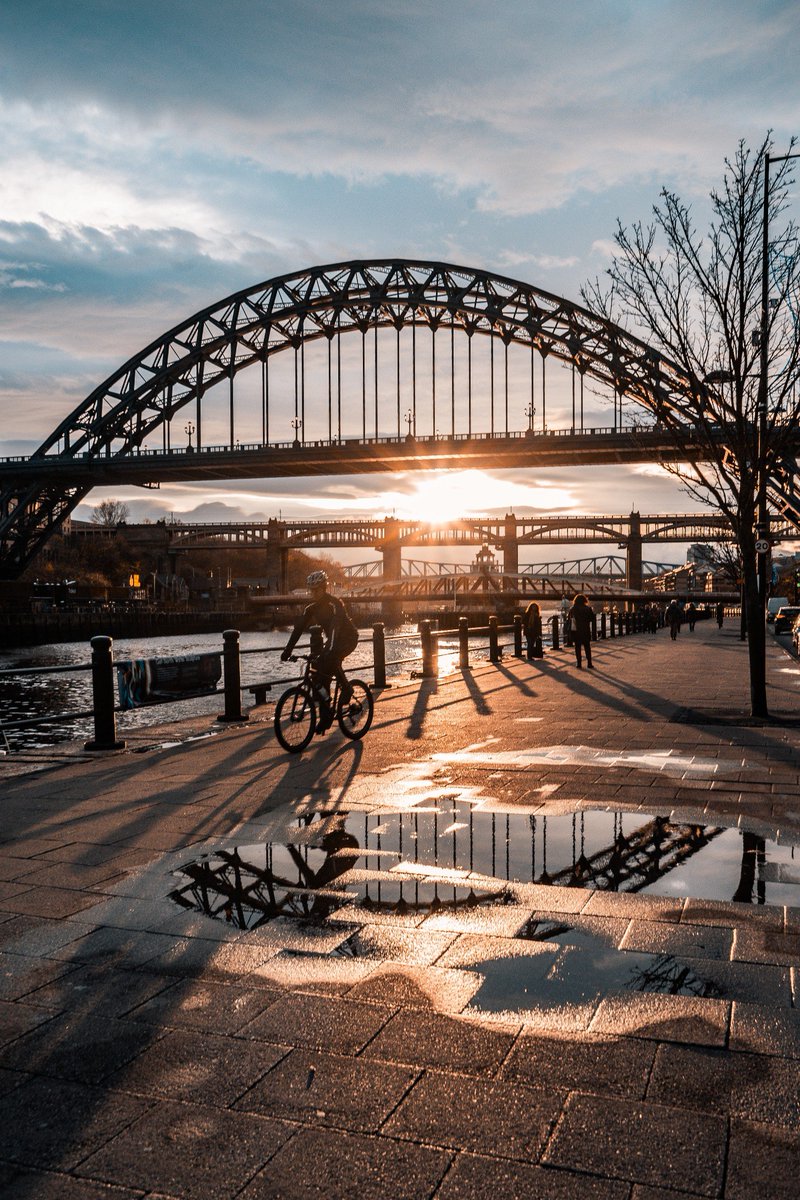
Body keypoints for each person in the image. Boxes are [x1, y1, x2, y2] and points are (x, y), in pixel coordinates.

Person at [281, 570, 359, 730]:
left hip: (348, 639)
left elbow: (335, 627)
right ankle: (326, 716)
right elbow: (298, 629)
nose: (313, 593)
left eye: (315, 590)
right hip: (332, 640)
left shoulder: (335, 604)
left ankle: (347, 689)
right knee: (319, 675)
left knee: (331, 659)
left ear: (323, 588)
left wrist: (328, 650)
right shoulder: (311, 608)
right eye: (311, 590)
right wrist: (287, 650)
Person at [567, 593, 595, 669]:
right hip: (585, 630)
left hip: (576, 631)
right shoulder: (588, 609)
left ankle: (579, 663)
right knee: (587, 647)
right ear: (584, 600)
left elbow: (569, 619)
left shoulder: (572, 609)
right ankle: (589, 663)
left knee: (577, 647)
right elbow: (592, 619)